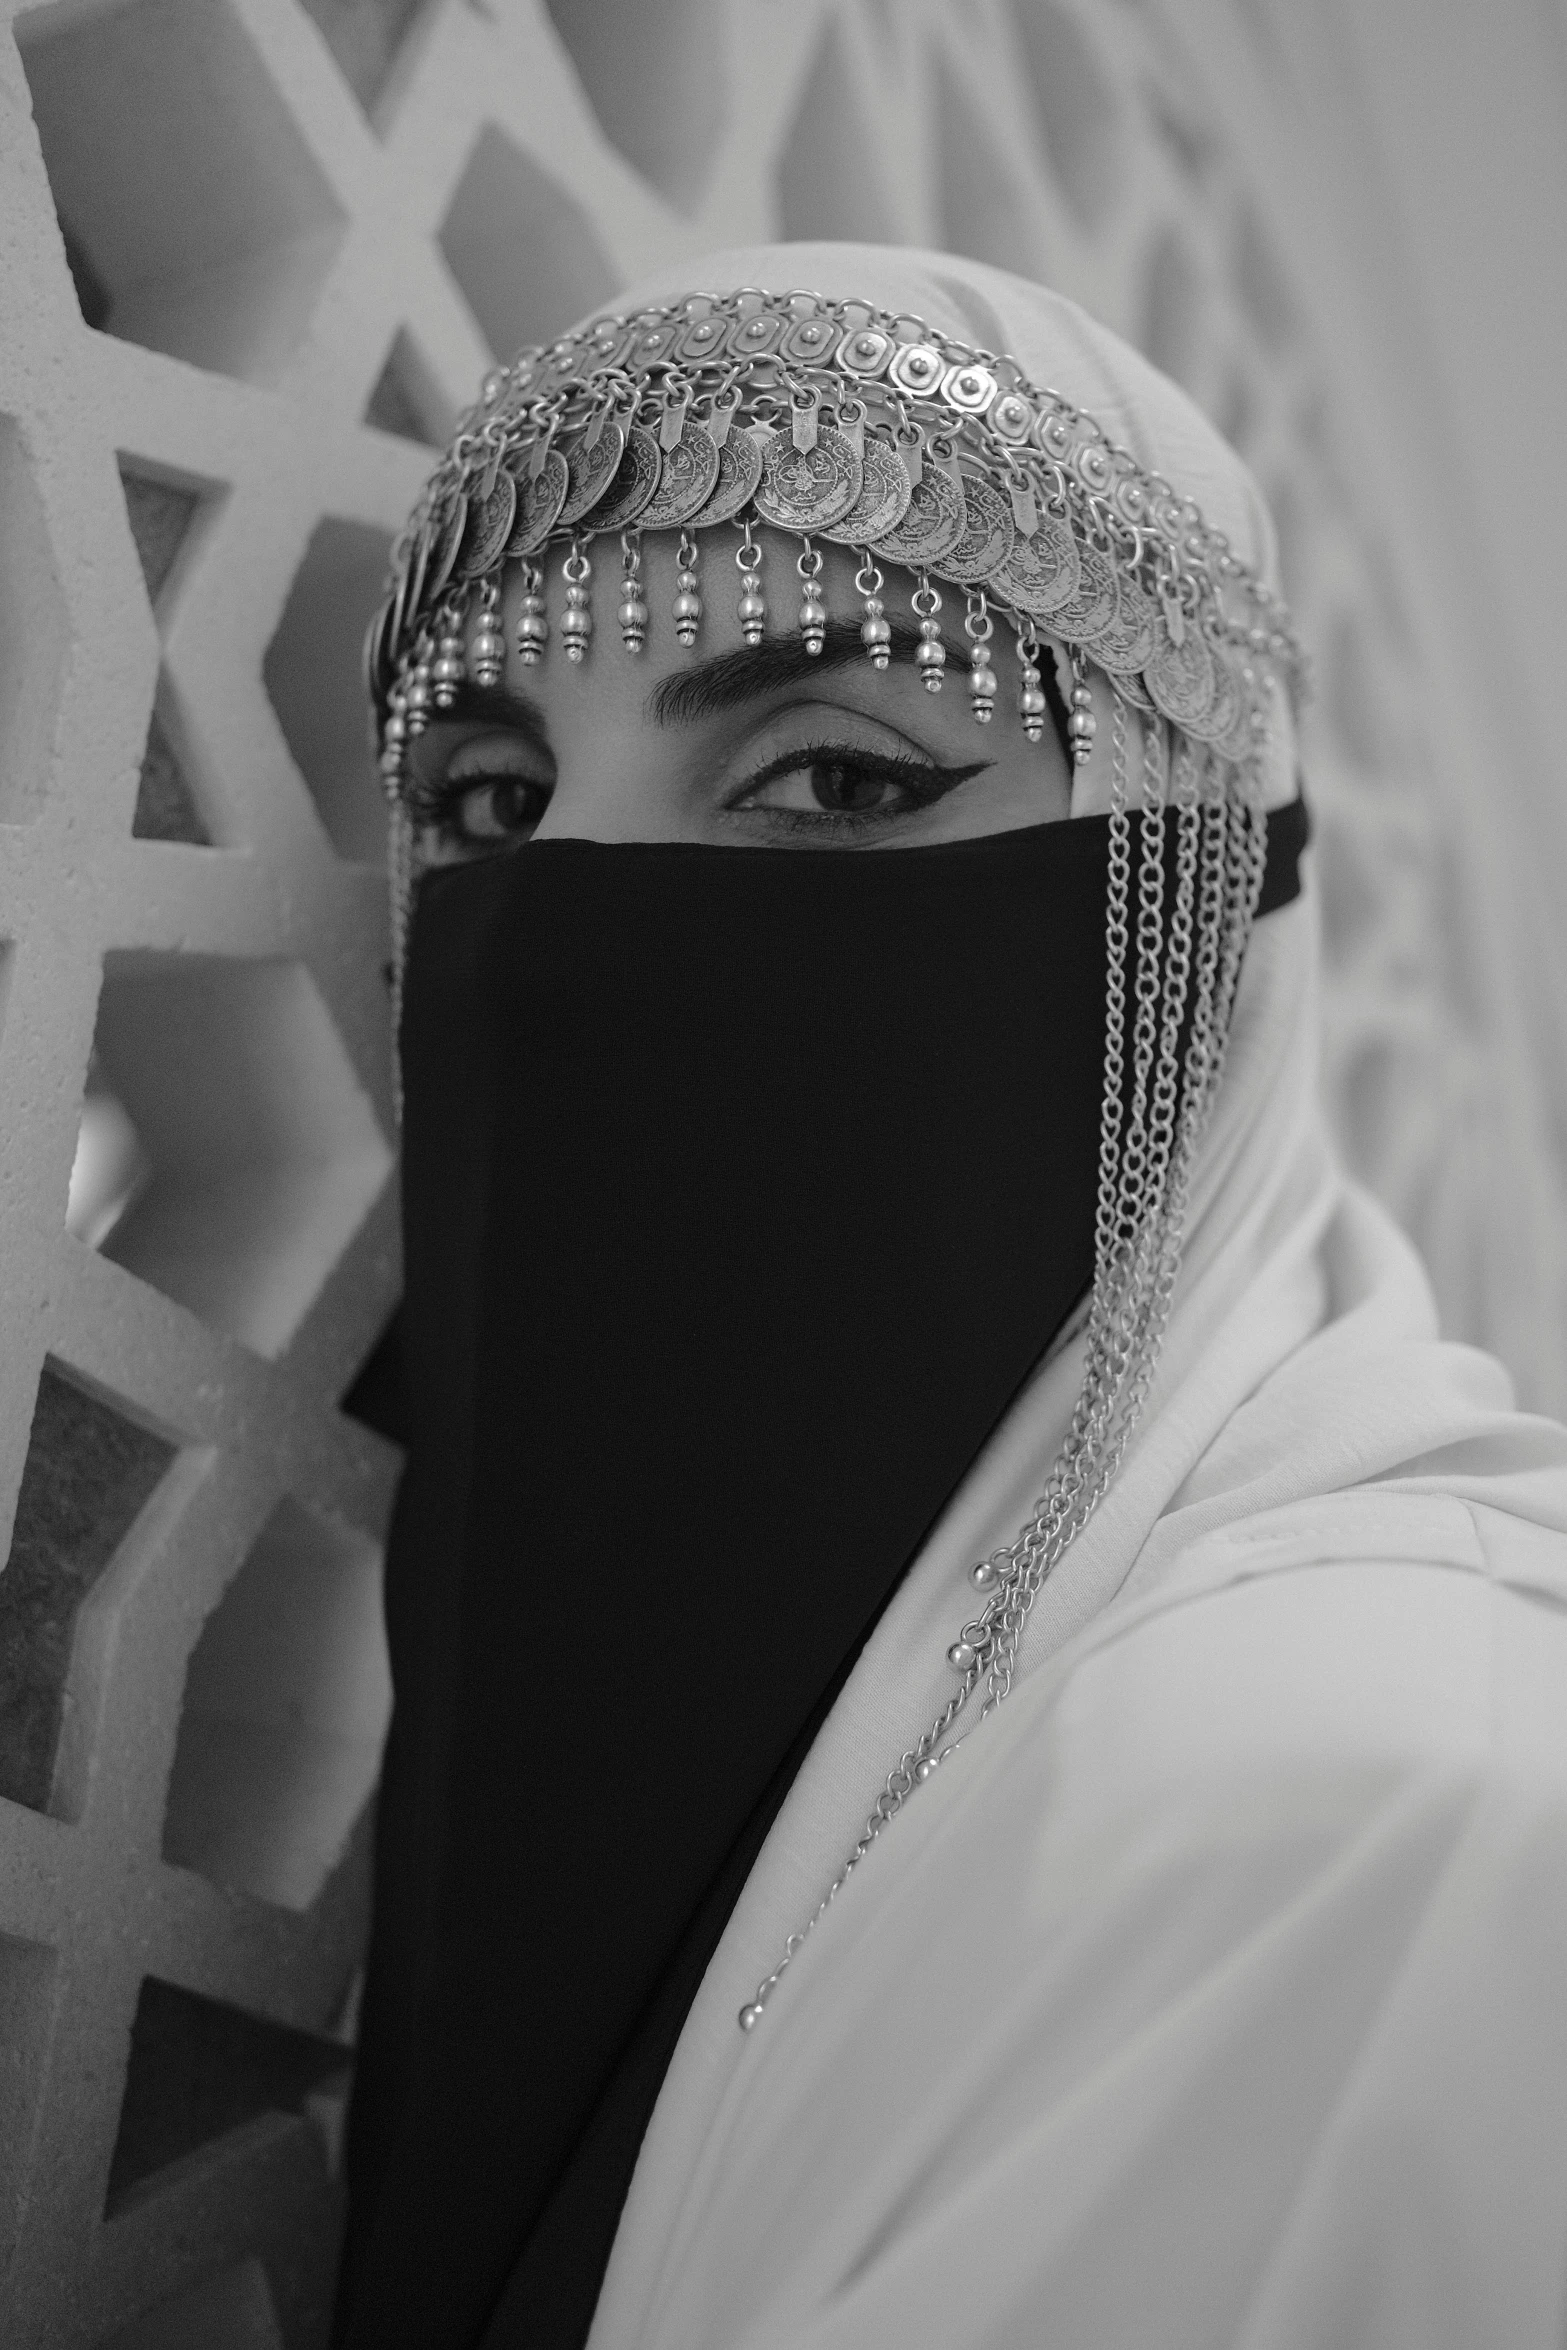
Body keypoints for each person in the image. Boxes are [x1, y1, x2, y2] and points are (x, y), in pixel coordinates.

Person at [333, 244, 1567, 2350]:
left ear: (1216, 897)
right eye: (491, 806)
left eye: (838, 776)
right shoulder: (671, 1723)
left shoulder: (1356, 1817)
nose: (566, 932)